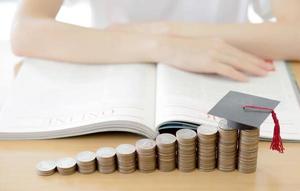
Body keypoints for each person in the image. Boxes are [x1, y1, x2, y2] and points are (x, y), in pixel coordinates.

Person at [10, 0, 300, 81]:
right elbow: (25, 30)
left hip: (224, 73)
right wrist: (161, 46)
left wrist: (166, 30)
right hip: (117, 74)